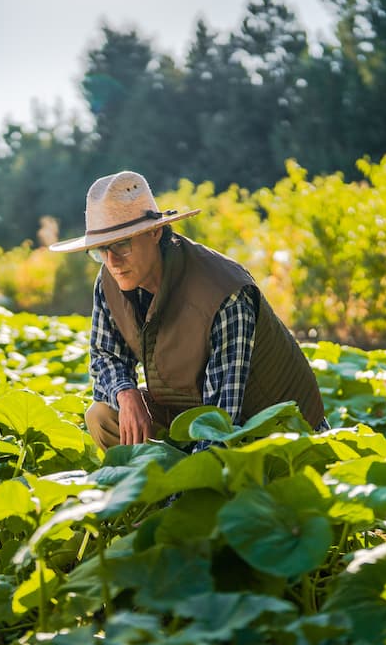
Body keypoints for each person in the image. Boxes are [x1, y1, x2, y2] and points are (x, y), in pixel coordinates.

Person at [49, 170, 327, 451]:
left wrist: (181, 489)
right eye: (101, 250)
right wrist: (126, 393)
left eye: (122, 244)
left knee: (212, 463)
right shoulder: (110, 277)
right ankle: (150, 492)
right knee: (104, 416)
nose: (113, 261)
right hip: (192, 413)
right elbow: (104, 354)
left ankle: (177, 492)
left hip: (272, 432)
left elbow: (220, 423)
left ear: (155, 231)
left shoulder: (224, 294)